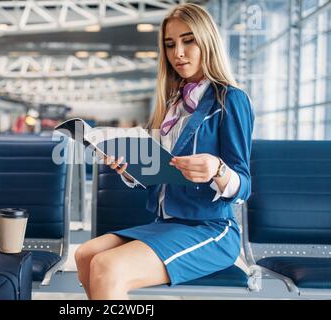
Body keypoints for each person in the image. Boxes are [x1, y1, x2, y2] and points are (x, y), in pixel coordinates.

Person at [74, 3, 254, 300]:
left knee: (108, 266)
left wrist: (218, 170)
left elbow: (244, 187)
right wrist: (130, 168)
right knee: (86, 253)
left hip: (211, 227)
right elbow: (162, 173)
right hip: (165, 224)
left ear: (207, 41)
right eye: (170, 45)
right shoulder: (172, 105)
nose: (178, 53)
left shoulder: (230, 99)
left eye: (188, 40)